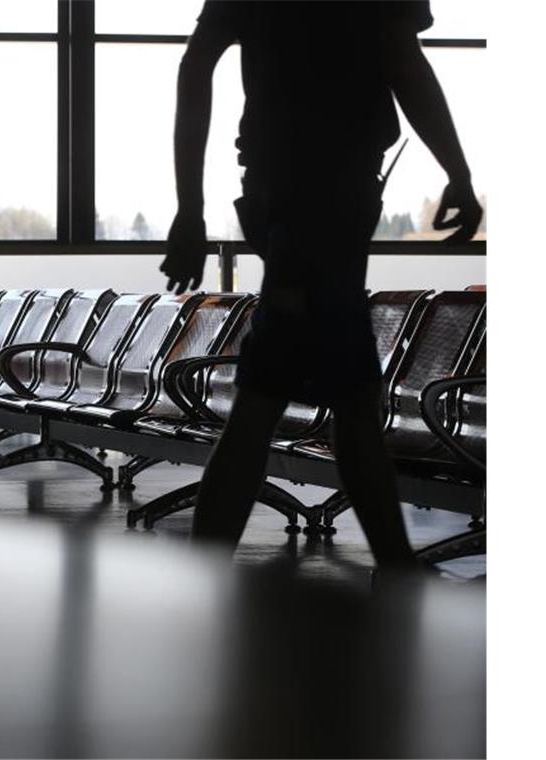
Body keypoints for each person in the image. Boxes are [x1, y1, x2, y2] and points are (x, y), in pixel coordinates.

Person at [159, 0, 482, 568]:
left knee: (309, 385)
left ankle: (387, 569)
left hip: (280, 194)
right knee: (312, 390)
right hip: (332, 197)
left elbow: (195, 67)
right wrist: (457, 171)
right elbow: (403, 62)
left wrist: (191, 209)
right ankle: (394, 573)